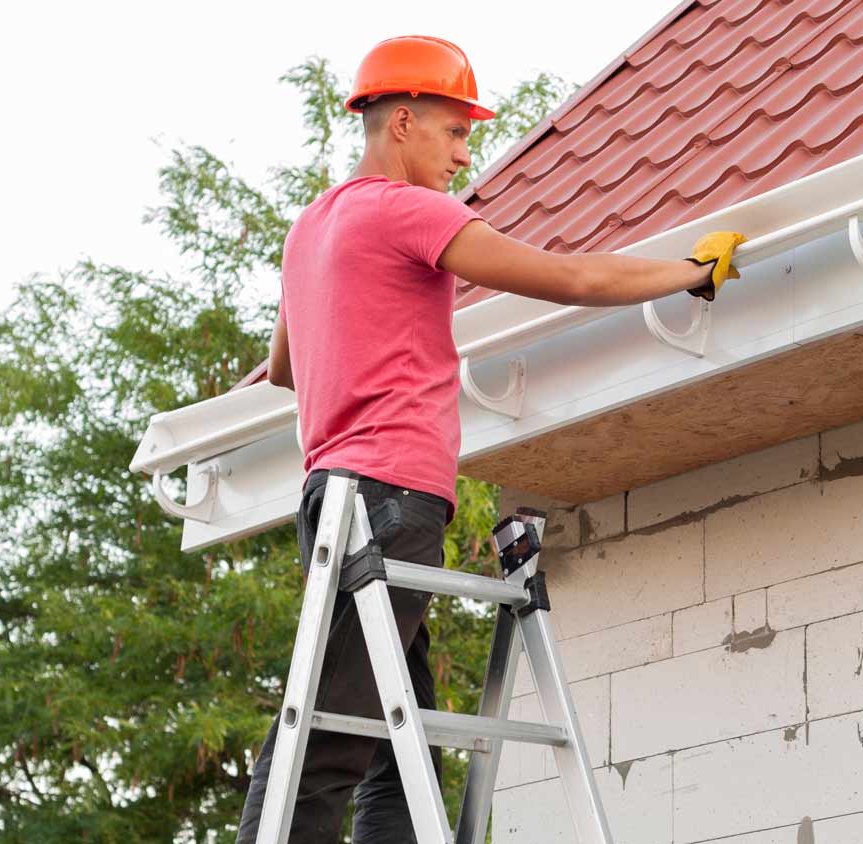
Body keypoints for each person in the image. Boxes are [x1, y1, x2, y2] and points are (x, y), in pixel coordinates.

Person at [236, 34, 745, 843]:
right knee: (325, 745)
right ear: (402, 121)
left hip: (332, 505)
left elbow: (283, 368)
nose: (462, 155)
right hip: (392, 499)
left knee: (397, 758)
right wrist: (690, 271)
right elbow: (571, 278)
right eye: (455, 131)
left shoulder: (310, 230)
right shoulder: (409, 210)